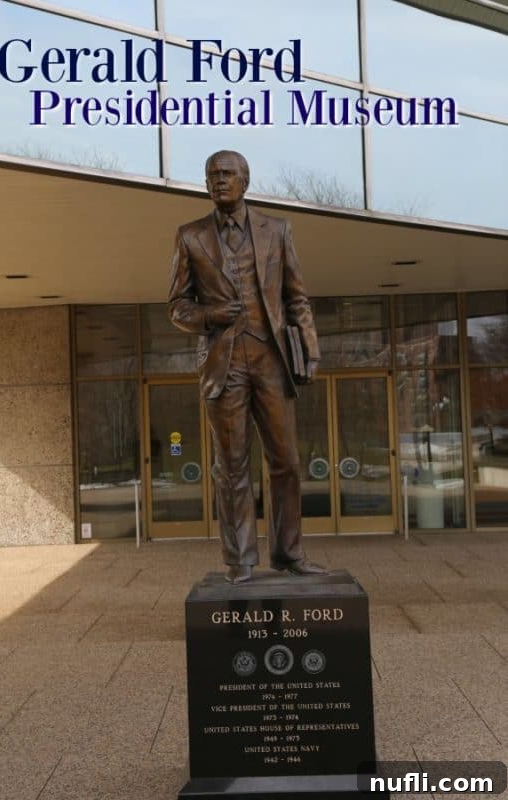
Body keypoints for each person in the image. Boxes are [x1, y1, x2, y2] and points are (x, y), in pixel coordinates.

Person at [168, 150, 326, 583]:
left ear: (245, 181)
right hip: (224, 363)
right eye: (212, 175)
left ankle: (289, 553)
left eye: (227, 174)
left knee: (286, 461)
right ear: (205, 184)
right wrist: (208, 317)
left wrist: (309, 350)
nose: (219, 181)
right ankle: (240, 561)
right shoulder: (190, 237)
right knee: (232, 465)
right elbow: (177, 307)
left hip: (271, 359)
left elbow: (296, 297)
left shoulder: (276, 230)